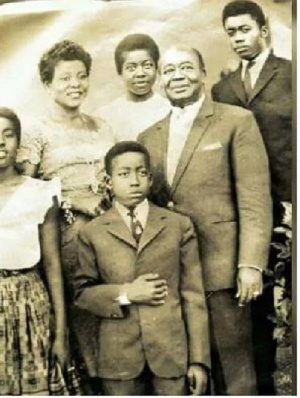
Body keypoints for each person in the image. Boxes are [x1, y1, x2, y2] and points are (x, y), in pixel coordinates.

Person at [138, 46, 273, 395]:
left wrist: (250, 264)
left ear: (203, 73)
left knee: (236, 373)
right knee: (188, 373)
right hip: (173, 274)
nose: (177, 76)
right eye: (169, 70)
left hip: (223, 270)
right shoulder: (147, 137)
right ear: (159, 80)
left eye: (186, 68)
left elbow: (255, 199)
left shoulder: (236, 121)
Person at [73, 141, 210, 396]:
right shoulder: (92, 232)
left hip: (171, 354)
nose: (134, 181)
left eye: (142, 172)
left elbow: (194, 297)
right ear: (108, 181)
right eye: (124, 174)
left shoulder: (178, 225)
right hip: (119, 359)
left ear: (150, 179)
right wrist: (126, 294)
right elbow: (82, 294)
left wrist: (198, 361)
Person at [17, 40, 116, 391]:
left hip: (109, 235)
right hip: (66, 240)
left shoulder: (102, 127)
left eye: (82, 76)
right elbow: (23, 194)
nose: (75, 84)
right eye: (65, 78)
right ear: (47, 84)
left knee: (114, 314)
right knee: (81, 319)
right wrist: (75, 202)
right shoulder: (35, 133)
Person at [211, 1, 292, 393]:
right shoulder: (222, 89)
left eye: (244, 29)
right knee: (254, 305)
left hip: (289, 204)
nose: (238, 38)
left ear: (264, 30)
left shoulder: (291, 75)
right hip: (247, 212)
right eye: (231, 32)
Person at [0, 107, 68, 395]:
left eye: (8, 135)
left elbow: (53, 265)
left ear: (18, 141)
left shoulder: (40, 193)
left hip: (30, 304)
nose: (1, 143)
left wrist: (61, 332)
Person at [99, 33, 170, 141]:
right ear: (120, 72)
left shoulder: (170, 109)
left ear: (156, 68)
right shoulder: (104, 116)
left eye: (147, 65)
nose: (140, 73)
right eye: (131, 68)